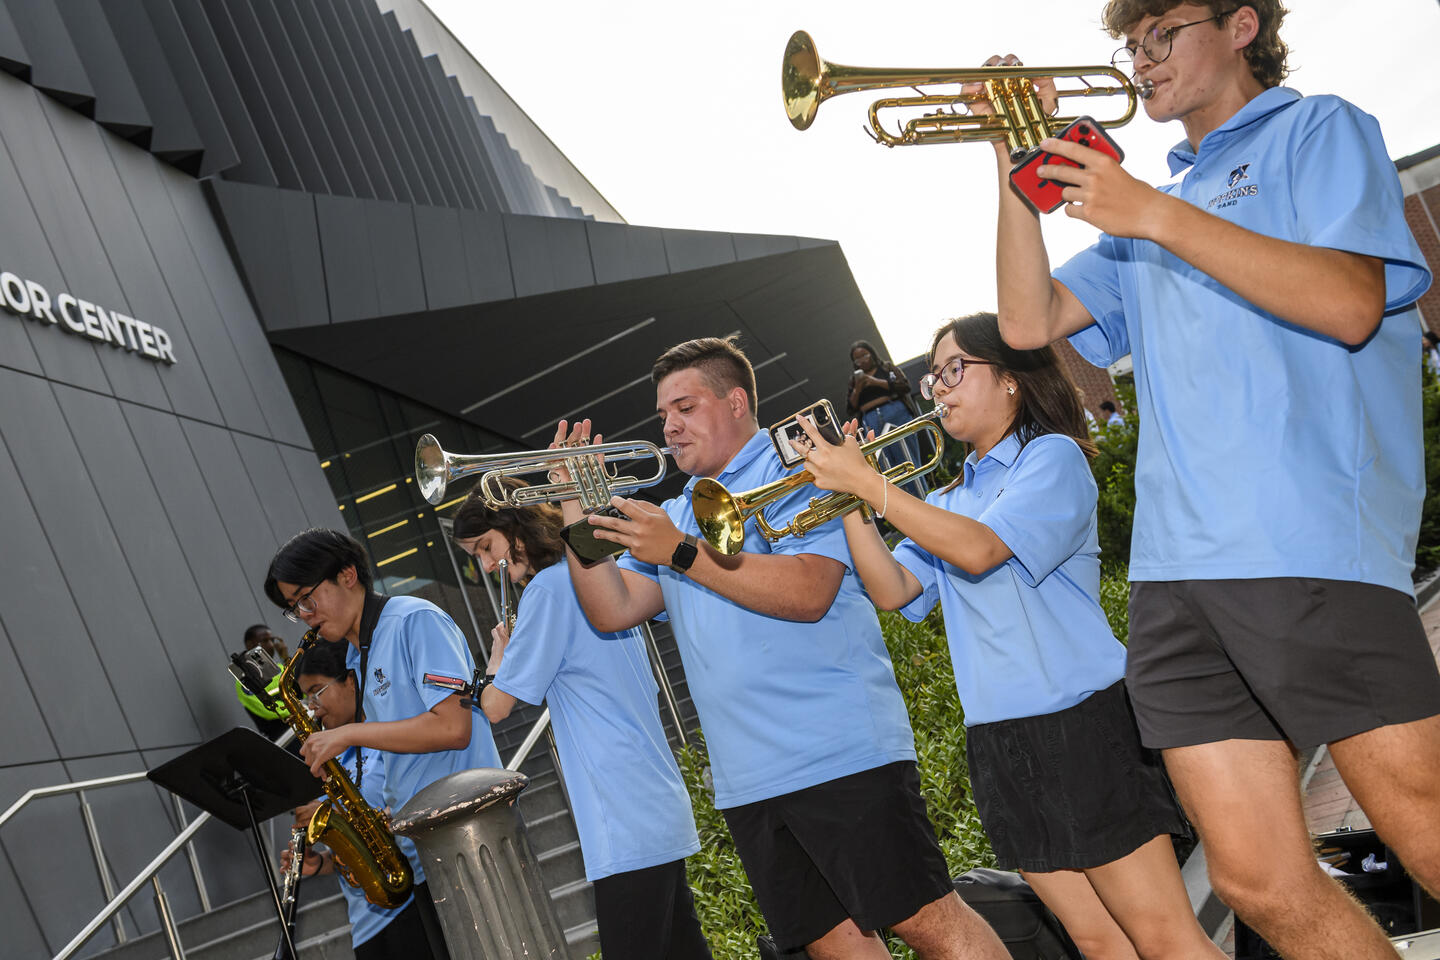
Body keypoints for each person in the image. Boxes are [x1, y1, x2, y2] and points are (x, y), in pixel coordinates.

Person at [985, 2, 1440, 957]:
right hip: (1174, 575)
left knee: (1427, 829)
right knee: (1257, 881)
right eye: (1132, 43)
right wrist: (1011, 168)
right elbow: (1027, 323)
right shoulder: (1143, 216)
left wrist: (1153, 211)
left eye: (1164, 34)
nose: (1142, 61)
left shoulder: (1316, 130)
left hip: (1304, 542)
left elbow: (1353, 303)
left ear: (1241, 26)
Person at [555, 337, 1012, 960]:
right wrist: (572, 510)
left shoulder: (799, 464)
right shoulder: (681, 510)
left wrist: (682, 554)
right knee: (835, 948)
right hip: (749, 781)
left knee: (929, 921)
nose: (669, 426)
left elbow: (811, 592)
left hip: (838, 752)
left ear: (736, 402)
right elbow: (611, 609)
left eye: (684, 407)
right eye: (663, 415)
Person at [801, 312, 1225, 960]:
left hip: (1084, 722)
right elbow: (892, 590)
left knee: (1164, 937)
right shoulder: (946, 498)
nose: (937, 389)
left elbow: (981, 550)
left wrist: (870, 483)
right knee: (1097, 942)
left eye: (953, 370)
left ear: (1010, 381)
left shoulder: (1049, 457)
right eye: (932, 376)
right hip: (1000, 741)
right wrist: (849, 502)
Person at [450, 478, 711, 960]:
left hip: (621, 811)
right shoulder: (593, 576)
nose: (486, 565)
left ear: (515, 527)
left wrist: (496, 658)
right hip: (651, 799)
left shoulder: (549, 590)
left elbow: (496, 705)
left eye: (487, 547)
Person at [263, 528, 503, 958]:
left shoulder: (413, 620)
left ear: (348, 574)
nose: (303, 615)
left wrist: (348, 733)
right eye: (293, 608)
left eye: (306, 598)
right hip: (429, 851)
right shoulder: (358, 654)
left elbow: (453, 728)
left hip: (470, 837)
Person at [280, 639, 437, 960]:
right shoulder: (333, 761)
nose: (312, 706)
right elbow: (361, 846)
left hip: (416, 905)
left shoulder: (392, 735)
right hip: (366, 927)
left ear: (350, 680)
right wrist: (321, 863)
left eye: (318, 691)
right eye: (306, 697)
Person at [846, 339, 925, 496]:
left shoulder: (886, 367)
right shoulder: (854, 380)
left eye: (865, 355)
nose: (862, 360)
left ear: (872, 354)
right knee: (885, 463)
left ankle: (923, 495)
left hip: (894, 411)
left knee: (908, 456)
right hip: (870, 419)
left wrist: (876, 382)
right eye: (857, 359)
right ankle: (902, 504)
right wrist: (858, 388)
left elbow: (905, 386)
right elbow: (850, 408)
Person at [234, 624, 290, 740]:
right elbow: (265, 709)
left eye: (272, 640)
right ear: (250, 644)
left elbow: (303, 690)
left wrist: (286, 658)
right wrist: (297, 709)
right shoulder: (244, 680)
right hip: (284, 736)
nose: (270, 645)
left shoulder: (281, 668)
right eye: (264, 641)